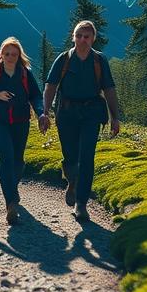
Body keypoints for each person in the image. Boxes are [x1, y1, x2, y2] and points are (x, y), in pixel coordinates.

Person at [42, 20, 121, 224]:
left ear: (93, 38)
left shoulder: (99, 60)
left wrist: (115, 117)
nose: (82, 40)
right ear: (73, 37)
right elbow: (50, 86)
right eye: (79, 36)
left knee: (87, 156)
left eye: (86, 36)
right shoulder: (64, 59)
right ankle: (72, 180)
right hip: (66, 113)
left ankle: (81, 204)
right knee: (70, 156)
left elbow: (109, 90)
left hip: (91, 114)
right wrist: (45, 112)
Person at [0, 37, 47, 226]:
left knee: (18, 161)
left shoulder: (25, 74)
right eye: (6, 54)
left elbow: (36, 96)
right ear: (1, 54)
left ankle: (11, 191)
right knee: (6, 158)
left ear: (19, 55)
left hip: (21, 122)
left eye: (14, 54)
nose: (10, 57)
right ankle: (10, 204)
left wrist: (41, 114)